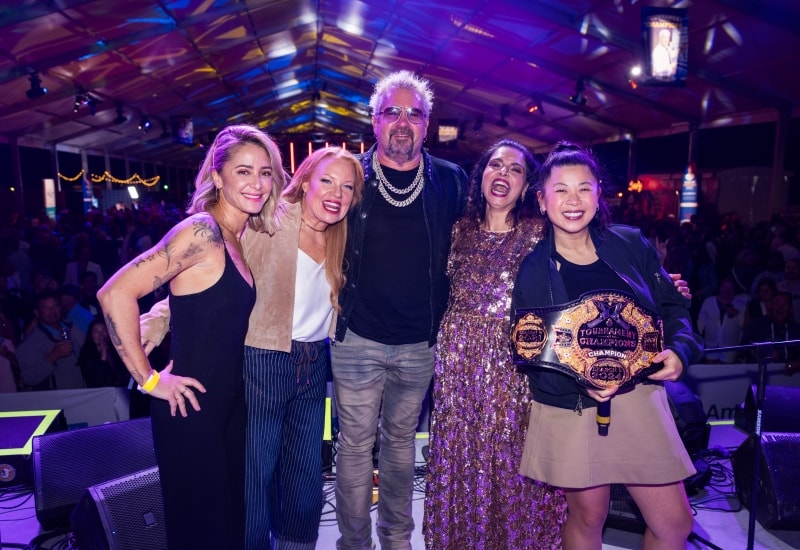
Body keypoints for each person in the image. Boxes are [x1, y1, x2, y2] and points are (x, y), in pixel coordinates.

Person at [140, 146, 364, 549]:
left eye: (347, 187)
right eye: (327, 181)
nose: (337, 193)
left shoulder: (340, 235)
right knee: (254, 479)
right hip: (263, 359)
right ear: (305, 182)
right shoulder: (270, 221)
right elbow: (214, 278)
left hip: (314, 365)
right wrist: (158, 320)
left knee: (304, 479)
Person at [97, 124, 283, 550]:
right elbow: (115, 293)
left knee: (230, 533)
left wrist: (163, 317)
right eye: (243, 171)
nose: (257, 183)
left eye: (265, 172)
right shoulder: (202, 232)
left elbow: (202, 306)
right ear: (217, 177)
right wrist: (149, 380)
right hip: (190, 412)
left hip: (228, 411)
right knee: (203, 537)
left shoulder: (237, 236)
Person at [511, 142, 703, 550]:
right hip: (573, 405)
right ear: (542, 201)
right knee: (589, 517)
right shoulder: (532, 270)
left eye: (584, 188)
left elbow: (673, 307)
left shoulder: (630, 244)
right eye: (561, 190)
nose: (573, 200)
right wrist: (582, 380)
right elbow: (531, 353)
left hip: (639, 398)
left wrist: (680, 352)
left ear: (599, 195)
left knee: (674, 523)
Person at [332, 70, 468, 549]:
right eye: (392, 111)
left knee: (399, 444)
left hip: (419, 342)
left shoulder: (450, 180)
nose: (403, 122)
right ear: (375, 120)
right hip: (357, 337)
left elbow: (488, 237)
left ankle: (396, 539)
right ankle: (354, 544)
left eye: (415, 113)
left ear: (427, 124)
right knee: (354, 447)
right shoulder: (350, 174)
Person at [423, 140, 567, 549]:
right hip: (456, 364)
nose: (503, 174)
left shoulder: (539, 234)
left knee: (508, 453)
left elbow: (587, 264)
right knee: (461, 453)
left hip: (511, 364)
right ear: (481, 175)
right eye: (495, 165)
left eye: (515, 169)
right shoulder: (457, 230)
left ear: (525, 187)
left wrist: (658, 284)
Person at [17, 288, 86, 390]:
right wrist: (53, 356)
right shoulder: (31, 342)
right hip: (59, 397)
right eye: (46, 308)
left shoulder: (72, 328)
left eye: (55, 306)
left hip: (83, 391)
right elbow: (28, 378)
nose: (52, 311)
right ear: (37, 312)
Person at [740, 291, 800, 374]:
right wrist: (760, 353)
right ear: (770, 306)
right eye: (777, 304)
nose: (780, 308)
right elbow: (743, 348)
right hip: (759, 373)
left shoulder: (796, 329)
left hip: (790, 376)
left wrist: (796, 364)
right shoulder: (756, 325)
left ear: (791, 309)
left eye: (785, 304)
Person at [696, 277, 748, 363]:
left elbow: (744, 325)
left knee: (726, 370)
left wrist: (737, 313)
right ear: (720, 287)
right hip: (710, 345)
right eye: (724, 287)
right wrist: (698, 340)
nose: (726, 290)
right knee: (710, 369)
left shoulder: (741, 304)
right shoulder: (709, 301)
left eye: (730, 288)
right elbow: (701, 321)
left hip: (730, 348)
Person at [77, 318, 129, 388]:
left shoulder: (116, 351)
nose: (100, 334)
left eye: (104, 330)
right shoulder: (86, 355)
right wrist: (103, 355)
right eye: (96, 331)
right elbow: (95, 382)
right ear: (91, 335)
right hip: (101, 393)